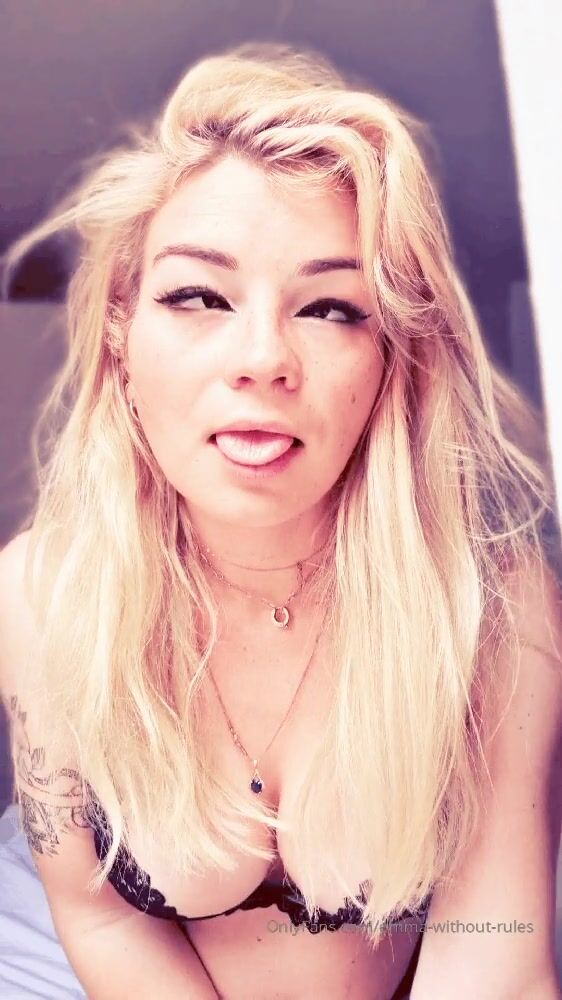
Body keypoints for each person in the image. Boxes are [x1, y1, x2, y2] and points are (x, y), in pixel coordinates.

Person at [0, 41, 560, 1000]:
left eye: (331, 308)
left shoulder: (497, 613)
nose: (263, 358)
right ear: (121, 336)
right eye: (198, 295)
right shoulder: (38, 593)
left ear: (392, 356)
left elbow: (494, 949)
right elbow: (98, 912)